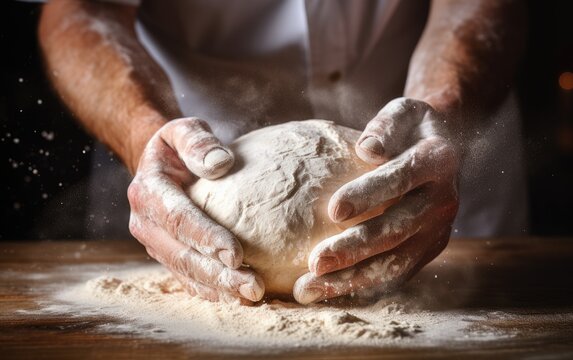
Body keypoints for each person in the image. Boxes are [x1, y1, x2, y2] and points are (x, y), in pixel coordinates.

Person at [38, 0, 528, 305]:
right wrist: (143, 131)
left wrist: (443, 109)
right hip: (194, 165)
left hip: (423, 153)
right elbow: (80, 12)